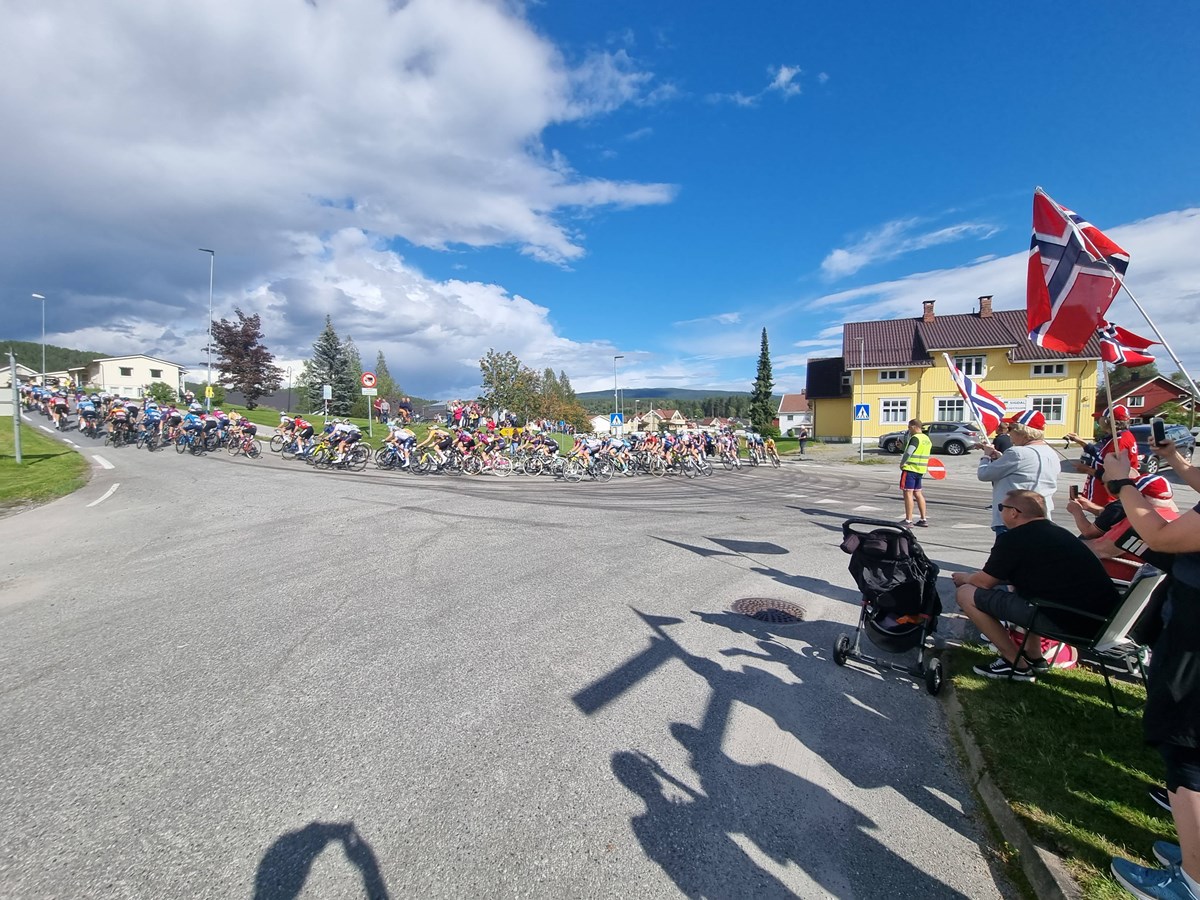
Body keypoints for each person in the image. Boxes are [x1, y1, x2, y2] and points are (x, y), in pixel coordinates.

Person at [1104, 438, 1200, 899]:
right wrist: (1177, 463)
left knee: (1187, 752)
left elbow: (1160, 537)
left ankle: (1191, 884)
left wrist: (1123, 484)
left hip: (1194, 644)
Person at [951, 489, 1121, 680]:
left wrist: (965, 578)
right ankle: (1033, 656)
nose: (1001, 512)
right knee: (1020, 588)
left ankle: (1014, 664)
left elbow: (984, 582)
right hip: (1100, 622)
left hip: (1069, 623)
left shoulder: (1014, 538)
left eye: (1002, 507)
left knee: (966, 593)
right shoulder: (1059, 533)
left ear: (1014, 512)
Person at [975, 410, 1061, 535]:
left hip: (1015, 518)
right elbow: (1025, 470)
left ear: (1024, 433)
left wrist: (986, 457)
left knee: (1009, 554)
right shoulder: (1050, 453)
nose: (1009, 434)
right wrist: (1000, 458)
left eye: (1011, 429)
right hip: (1041, 515)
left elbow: (984, 474)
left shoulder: (1018, 453)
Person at [1066, 404, 1139, 512]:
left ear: (1107, 421)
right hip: (1106, 495)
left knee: (1104, 527)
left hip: (1109, 498)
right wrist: (1080, 441)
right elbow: (1100, 456)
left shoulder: (1119, 441)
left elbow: (1112, 474)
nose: (1097, 420)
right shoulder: (1120, 437)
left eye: (1100, 418)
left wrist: (1086, 469)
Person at [898, 419, 931, 527]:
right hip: (920, 469)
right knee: (918, 493)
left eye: (909, 427)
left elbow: (909, 452)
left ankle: (908, 520)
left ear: (913, 426)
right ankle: (923, 519)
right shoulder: (926, 439)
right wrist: (902, 446)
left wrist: (903, 463)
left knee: (908, 493)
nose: (908, 429)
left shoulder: (915, 438)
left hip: (910, 468)